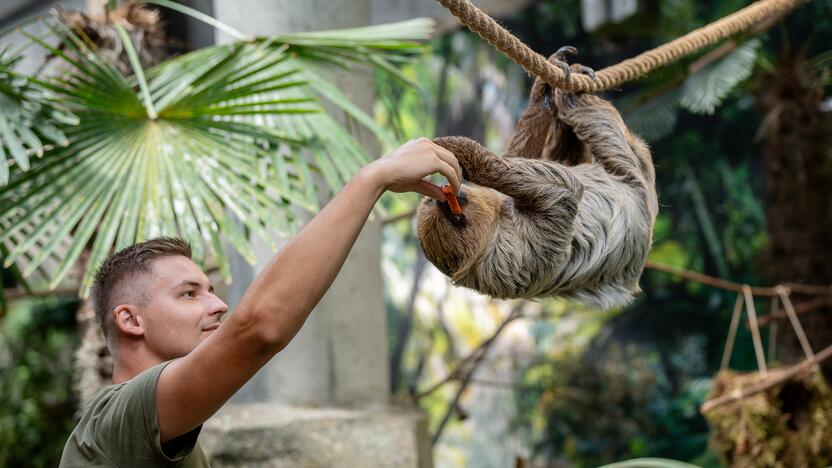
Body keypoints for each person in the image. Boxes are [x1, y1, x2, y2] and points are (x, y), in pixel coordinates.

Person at [59, 138, 461, 467]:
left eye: (210, 290)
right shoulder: (115, 421)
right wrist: (374, 178)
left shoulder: (173, 436)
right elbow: (258, 329)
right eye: (188, 294)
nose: (217, 306)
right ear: (131, 320)